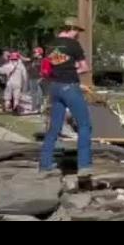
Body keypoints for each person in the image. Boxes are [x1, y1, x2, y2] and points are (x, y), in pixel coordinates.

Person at [39, 18, 93, 179]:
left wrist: (68, 67)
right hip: (70, 87)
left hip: (55, 88)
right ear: (71, 28)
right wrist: (74, 69)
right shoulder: (73, 45)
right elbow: (85, 68)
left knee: (54, 127)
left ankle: (45, 164)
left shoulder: (51, 45)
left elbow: (55, 66)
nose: (78, 34)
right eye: (77, 31)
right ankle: (84, 165)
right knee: (84, 125)